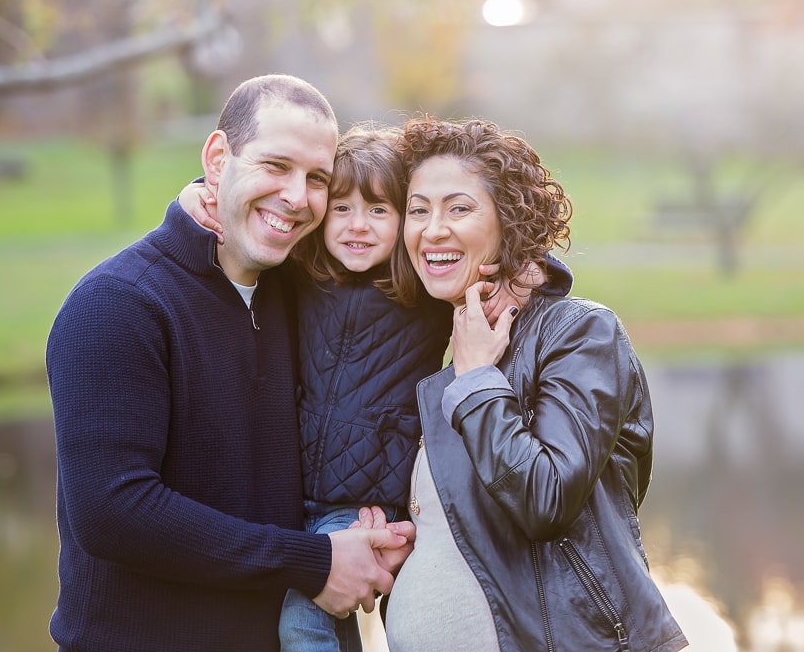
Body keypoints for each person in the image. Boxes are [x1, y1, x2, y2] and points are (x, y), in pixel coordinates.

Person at [45, 74, 414, 652]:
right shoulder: (116, 305)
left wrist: (368, 527)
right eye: (275, 166)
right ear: (218, 158)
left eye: (318, 178)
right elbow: (112, 512)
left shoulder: (301, 288)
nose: (297, 197)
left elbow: (435, 232)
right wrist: (313, 562)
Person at [177, 121, 572, 652]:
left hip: (370, 501)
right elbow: (259, 213)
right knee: (318, 618)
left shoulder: (418, 288)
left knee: (306, 620)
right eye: (341, 208)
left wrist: (522, 273)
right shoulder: (301, 275)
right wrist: (192, 195)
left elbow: (525, 262)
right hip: (296, 499)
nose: (357, 226)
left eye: (379, 210)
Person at [379, 116, 689, 652]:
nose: (432, 230)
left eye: (459, 208)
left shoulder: (580, 333)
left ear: (509, 222)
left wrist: (477, 380)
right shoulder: (447, 351)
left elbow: (545, 498)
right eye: (418, 210)